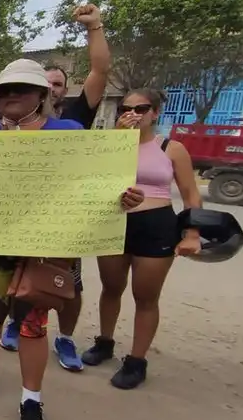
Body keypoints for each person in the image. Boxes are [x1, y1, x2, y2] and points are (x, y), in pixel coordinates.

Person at [0, 59, 142, 420]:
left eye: (20, 89)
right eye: (3, 91)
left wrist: (122, 197)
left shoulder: (68, 132)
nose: (10, 96)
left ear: (42, 95)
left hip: (47, 247)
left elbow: (95, 183)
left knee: (33, 322)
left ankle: (31, 400)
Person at [0, 4, 112, 371]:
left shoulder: (76, 121)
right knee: (18, 280)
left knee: (67, 284)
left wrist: (94, 27)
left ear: (58, 91)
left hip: (59, 225)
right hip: (14, 220)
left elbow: (100, 70)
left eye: (55, 84)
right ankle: (17, 324)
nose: (48, 88)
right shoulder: (3, 126)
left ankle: (64, 338)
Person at [82, 89, 202, 389]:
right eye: (126, 108)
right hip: (114, 222)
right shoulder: (110, 144)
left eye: (142, 108)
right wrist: (116, 141)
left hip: (156, 224)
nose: (133, 113)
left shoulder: (171, 148)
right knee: (111, 287)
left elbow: (190, 194)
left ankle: (136, 360)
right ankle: (105, 341)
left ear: (155, 112)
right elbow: (91, 180)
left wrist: (192, 233)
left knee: (145, 296)